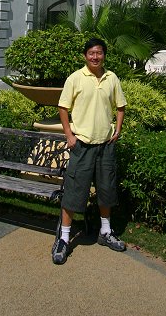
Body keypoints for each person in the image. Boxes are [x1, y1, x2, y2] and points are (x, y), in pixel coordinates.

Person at [52, 37, 127, 265]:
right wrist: (69, 135)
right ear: (85, 56)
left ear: (104, 55)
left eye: (100, 53)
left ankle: (105, 232)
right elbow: (63, 107)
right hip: (82, 145)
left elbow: (120, 106)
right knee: (74, 191)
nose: (96, 57)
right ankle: (63, 239)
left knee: (106, 190)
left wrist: (118, 130)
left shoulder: (111, 78)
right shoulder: (75, 78)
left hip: (105, 145)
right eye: (92, 53)